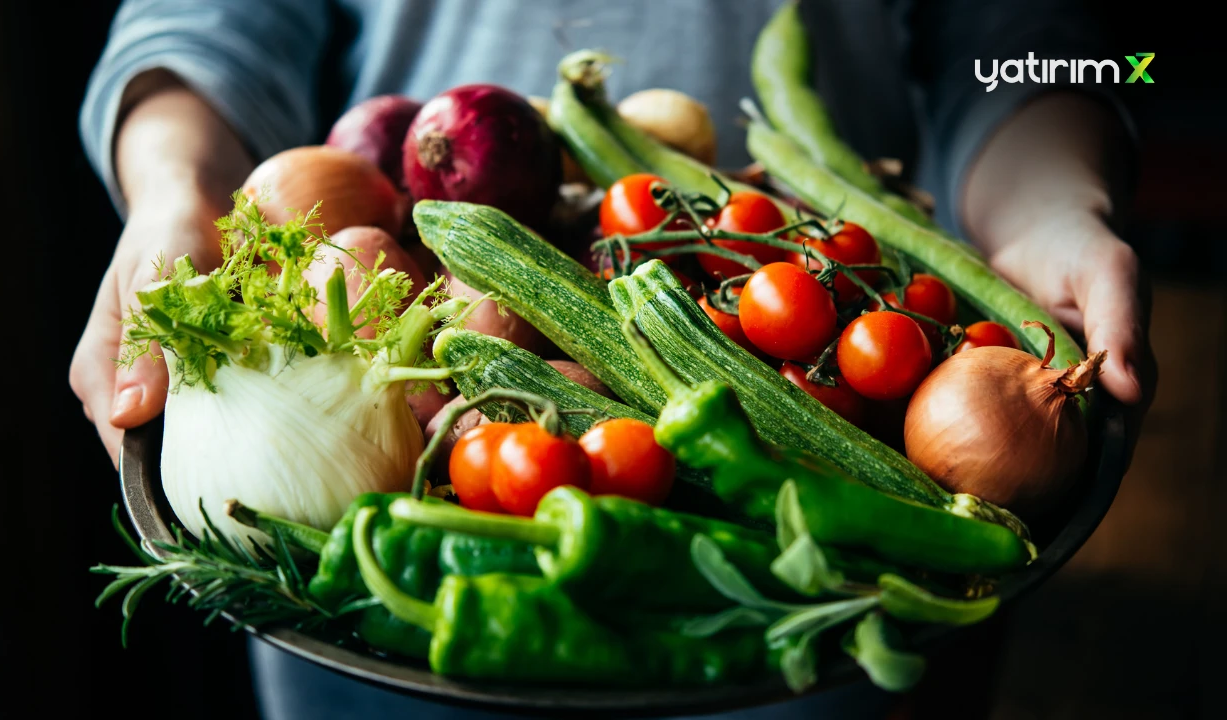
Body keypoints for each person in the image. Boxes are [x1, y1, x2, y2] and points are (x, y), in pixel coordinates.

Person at [71, 1, 1156, 718]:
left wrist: (1055, 196)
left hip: (826, 638)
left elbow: (1029, 32)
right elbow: (204, 20)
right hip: (390, 606)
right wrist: (175, 194)